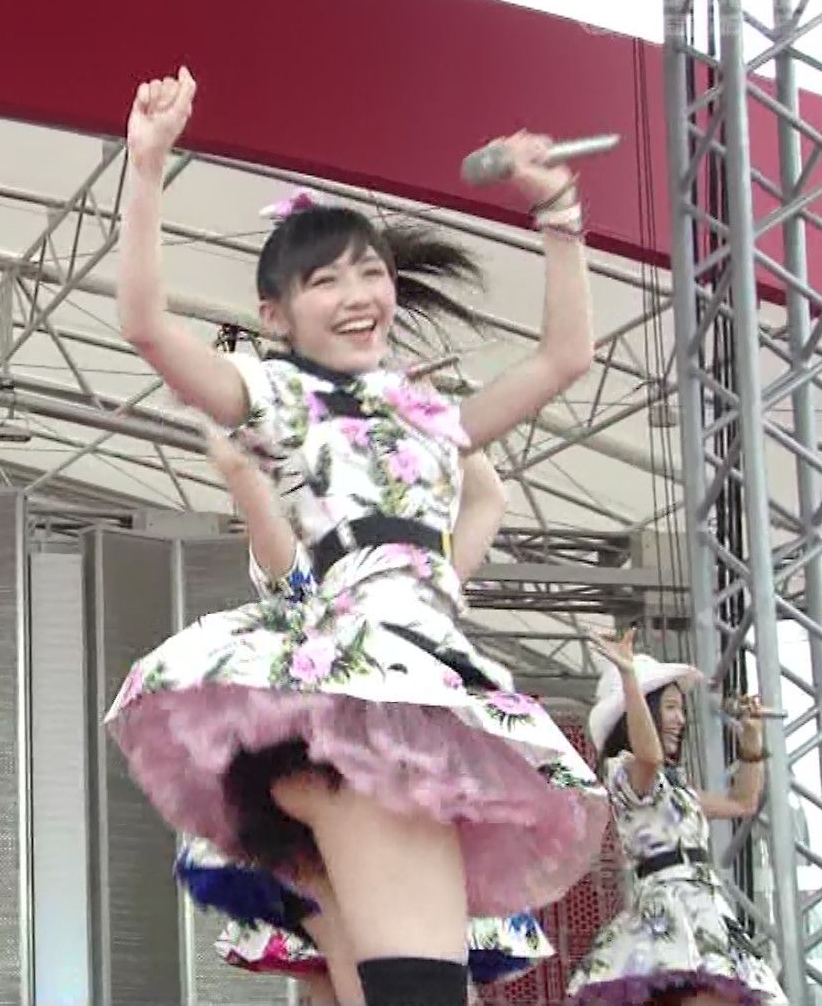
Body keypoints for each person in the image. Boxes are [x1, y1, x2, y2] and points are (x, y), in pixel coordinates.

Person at [103, 67, 607, 1006]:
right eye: (324, 279)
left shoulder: (428, 419)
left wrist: (560, 212)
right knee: (419, 988)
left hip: (420, 689)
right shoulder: (281, 398)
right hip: (363, 704)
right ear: (276, 315)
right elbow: (146, 327)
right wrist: (147, 167)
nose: (357, 293)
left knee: (403, 986)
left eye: (371, 272)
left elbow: (565, 357)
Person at [180, 422, 553, 1004]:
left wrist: (433, 412)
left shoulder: (415, 582)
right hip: (333, 779)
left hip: (406, 787)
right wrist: (246, 465)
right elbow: (268, 527)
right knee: (363, 967)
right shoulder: (308, 570)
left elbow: (489, 500)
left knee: (413, 969)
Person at [565, 631, 786, 1005]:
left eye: (681, 710)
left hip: (705, 905)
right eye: (669, 708)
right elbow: (648, 757)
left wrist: (751, 739)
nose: (680, 720)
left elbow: (743, 802)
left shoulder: (676, 787)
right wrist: (630, 677)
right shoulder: (624, 772)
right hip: (667, 908)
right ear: (641, 712)